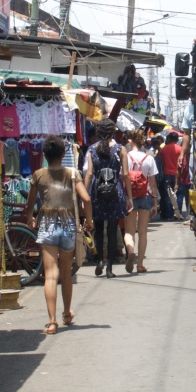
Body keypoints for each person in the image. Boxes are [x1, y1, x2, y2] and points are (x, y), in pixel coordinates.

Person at [26, 135, 93, 333]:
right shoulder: (73, 174)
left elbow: (31, 202)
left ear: (44, 155)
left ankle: (52, 321)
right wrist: (88, 221)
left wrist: (30, 216)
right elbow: (86, 200)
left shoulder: (38, 174)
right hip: (69, 224)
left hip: (47, 223)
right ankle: (66, 313)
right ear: (64, 154)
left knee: (50, 276)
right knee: (66, 273)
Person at [83, 118, 131, 278]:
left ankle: (99, 261)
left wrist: (84, 195)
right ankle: (110, 268)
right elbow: (125, 175)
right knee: (112, 231)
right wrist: (129, 197)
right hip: (115, 193)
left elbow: (89, 174)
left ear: (98, 132)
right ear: (113, 132)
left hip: (97, 192)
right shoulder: (120, 149)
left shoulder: (91, 149)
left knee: (98, 229)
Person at [124, 130, 160, 273]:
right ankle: (140, 264)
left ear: (131, 141)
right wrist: (155, 202)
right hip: (145, 196)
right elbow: (153, 183)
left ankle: (131, 250)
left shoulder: (125, 157)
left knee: (129, 232)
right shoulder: (149, 158)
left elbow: (123, 177)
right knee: (143, 232)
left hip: (130, 197)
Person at [159, 132, 182, 220]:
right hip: (177, 174)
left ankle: (169, 215)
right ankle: (177, 213)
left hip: (166, 174)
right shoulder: (180, 149)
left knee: (167, 195)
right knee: (177, 195)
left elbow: (162, 162)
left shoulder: (164, 149)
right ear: (177, 140)